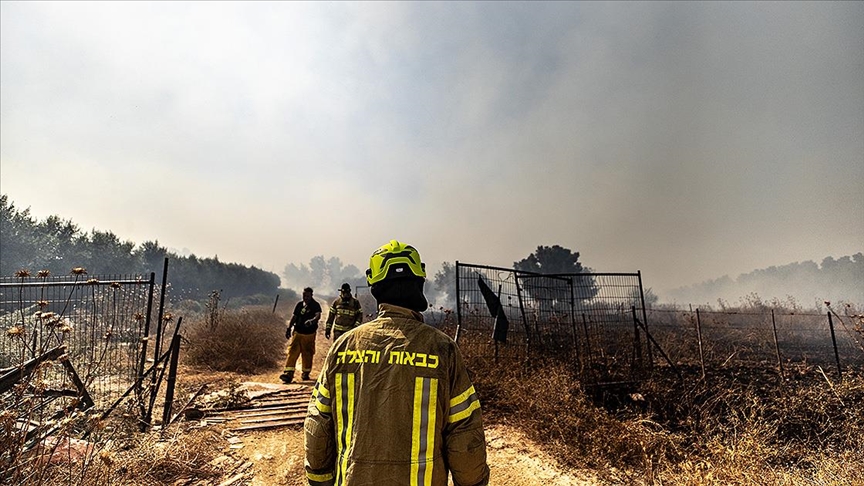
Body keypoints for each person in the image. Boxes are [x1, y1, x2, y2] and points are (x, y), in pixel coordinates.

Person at [304, 240, 490, 486]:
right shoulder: (442, 350)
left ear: (375, 288)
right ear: (419, 284)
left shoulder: (344, 347)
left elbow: (318, 423)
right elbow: (464, 433)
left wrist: (319, 481)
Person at [280, 287, 322, 384]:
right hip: (298, 333)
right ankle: (288, 373)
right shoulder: (299, 305)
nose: (305, 298)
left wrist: (311, 321)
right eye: (304, 296)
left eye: (307, 296)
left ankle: (306, 373)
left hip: (309, 334)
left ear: (311, 295)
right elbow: (294, 317)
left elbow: (318, 315)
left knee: (307, 353)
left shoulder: (315, 305)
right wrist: (289, 328)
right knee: (292, 352)